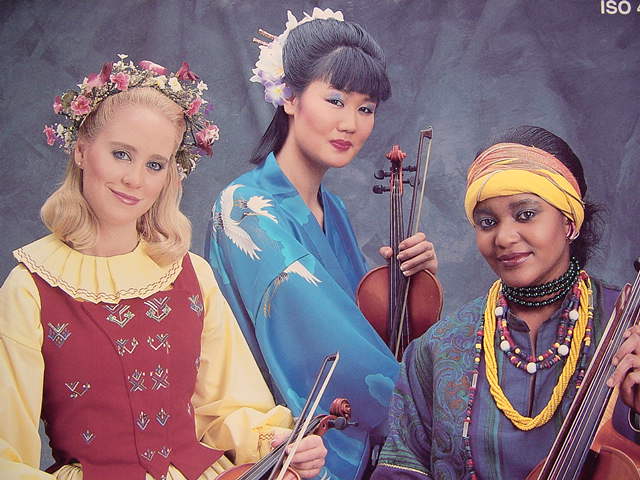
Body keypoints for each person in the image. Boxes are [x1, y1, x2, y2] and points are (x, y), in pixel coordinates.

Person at [0, 55, 326, 480]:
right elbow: (6, 448)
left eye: (155, 164)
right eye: (121, 154)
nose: (135, 179)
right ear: (81, 151)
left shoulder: (191, 274)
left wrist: (277, 442)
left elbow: (227, 406)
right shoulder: (30, 287)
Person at [206, 8, 438, 480]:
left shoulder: (334, 210)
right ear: (289, 97)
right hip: (285, 440)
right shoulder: (245, 207)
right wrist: (432, 397)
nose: (350, 123)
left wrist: (411, 287)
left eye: (365, 108)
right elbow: (328, 343)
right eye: (335, 100)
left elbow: (365, 329)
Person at [371, 125, 640, 479]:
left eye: (526, 214)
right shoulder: (436, 349)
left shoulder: (629, 327)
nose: (504, 237)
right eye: (487, 222)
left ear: (569, 221)